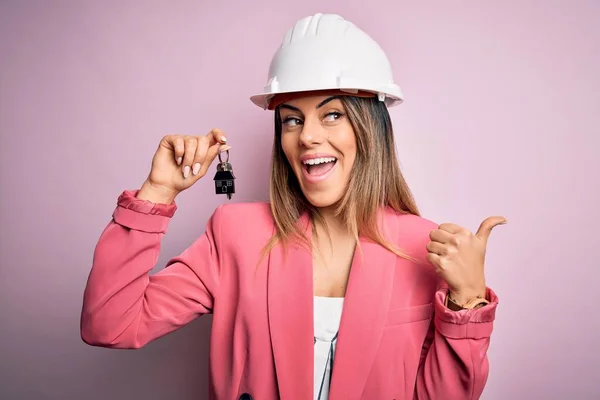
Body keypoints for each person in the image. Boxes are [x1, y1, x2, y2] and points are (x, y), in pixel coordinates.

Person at [81, 13, 505, 400]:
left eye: (332, 115)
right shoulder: (236, 235)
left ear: (370, 128)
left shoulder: (424, 247)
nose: (307, 137)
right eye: (292, 119)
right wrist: (157, 192)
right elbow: (111, 324)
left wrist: (467, 301)